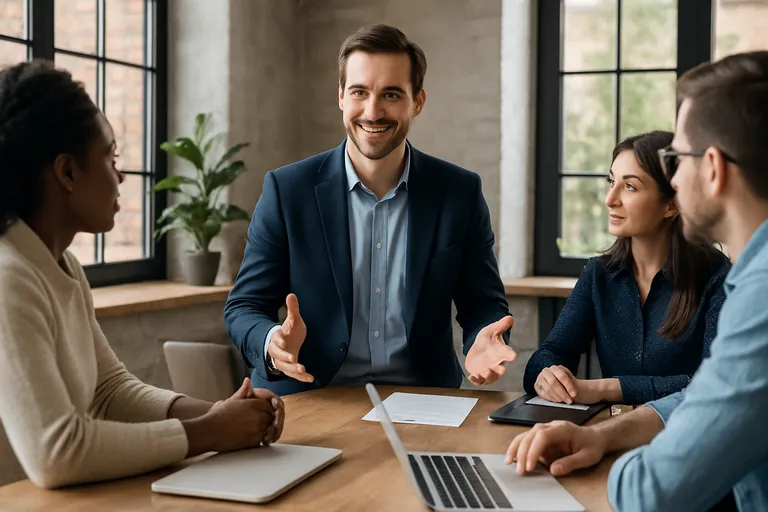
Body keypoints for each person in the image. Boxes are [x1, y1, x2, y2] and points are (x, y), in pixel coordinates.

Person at [0, 60, 285, 489]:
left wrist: (222, 413)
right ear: (67, 172)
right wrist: (210, 432)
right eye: (110, 156)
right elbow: (55, 452)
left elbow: (109, 391)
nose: (121, 175)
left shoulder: (63, 266)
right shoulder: (8, 277)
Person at [505, 51, 768, 511]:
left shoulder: (756, 293)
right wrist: (603, 436)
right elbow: (702, 396)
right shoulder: (605, 273)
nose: (676, 178)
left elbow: (653, 491)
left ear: (712, 167)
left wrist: (603, 450)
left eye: (677, 158)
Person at [224, 24, 515, 396]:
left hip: (424, 398)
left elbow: (484, 303)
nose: (373, 111)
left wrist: (483, 340)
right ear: (342, 97)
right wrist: (271, 342)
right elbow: (244, 305)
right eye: (360, 92)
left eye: (391, 94)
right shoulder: (287, 190)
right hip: (309, 394)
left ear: (418, 101)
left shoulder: (459, 192)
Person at [524, 131, 730, 406]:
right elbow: (552, 352)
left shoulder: (716, 276)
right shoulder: (599, 274)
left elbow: (710, 383)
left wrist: (608, 388)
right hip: (606, 434)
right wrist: (546, 374)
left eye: (630, 186)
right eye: (612, 181)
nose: (610, 199)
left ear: (671, 205)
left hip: (686, 435)